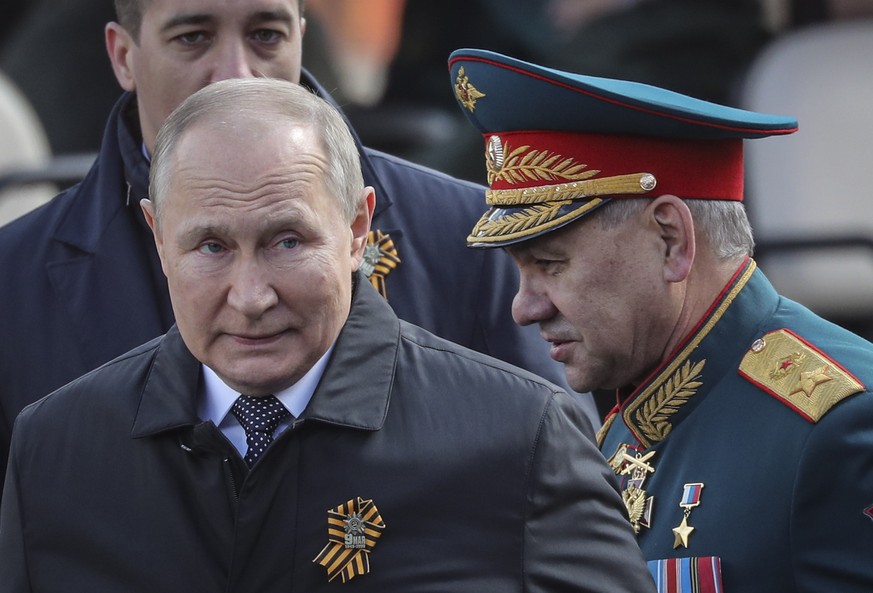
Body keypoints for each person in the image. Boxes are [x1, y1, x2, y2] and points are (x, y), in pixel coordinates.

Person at [0, 77, 655, 592]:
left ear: (357, 230)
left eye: (287, 240)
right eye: (210, 246)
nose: (251, 296)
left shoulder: (519, 439)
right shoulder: (56, 450)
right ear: (156, 238)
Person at [0, 0, 599, 502]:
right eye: (193, 37)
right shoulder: (14, 279)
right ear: (123, 55)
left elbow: (553, 488)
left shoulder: (461, 234)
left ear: (301, 39)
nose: (236, 72)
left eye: (266, 35)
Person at [448, 48, 873, 592]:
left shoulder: (839, 425)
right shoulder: (628, 420)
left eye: (550, 264)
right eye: (521, 272)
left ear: (671, 239)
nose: (524, 307)